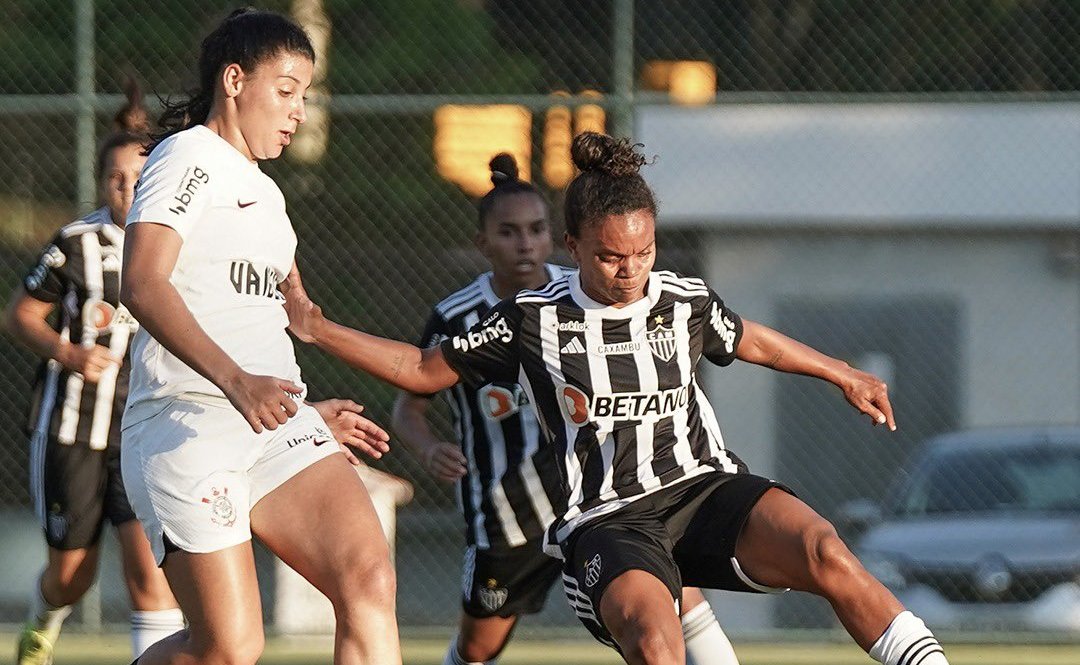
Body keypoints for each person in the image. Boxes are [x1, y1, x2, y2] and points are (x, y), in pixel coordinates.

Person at [285, 132, 953, 665]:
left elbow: (752, 340)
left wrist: (843, 372)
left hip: (703, 488)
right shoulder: (530, 319)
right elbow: (420, 368)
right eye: (609, 257)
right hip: (608, 520)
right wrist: (316, 327)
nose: (630, 268)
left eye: (644, 249)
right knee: (657, 644)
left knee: (827, 552)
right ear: (572, 246)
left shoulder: (679, 299)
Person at [118, 9, 399, 665]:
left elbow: (254, 319)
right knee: (229, 647)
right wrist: (238, 382)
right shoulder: (188, 155)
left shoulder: (268, 196)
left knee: (369, 582)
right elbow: (143, 283)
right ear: (235, 80)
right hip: (187, 424)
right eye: (287, 89)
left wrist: (299, 408)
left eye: (305, 94)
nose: (299, 109)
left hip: (274, 428)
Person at [392, 154, 739, 665]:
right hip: (510, 511)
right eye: (508, 233)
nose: (525, 243)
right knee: (479, 645)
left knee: (682, 599)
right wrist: (428, 448)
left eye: (535, 229)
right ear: (483, 243)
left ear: (558, 238)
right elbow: (410, 404)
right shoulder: (457, 316)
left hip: (603, 495)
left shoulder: (584, 294)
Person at [5, 78, 185, 665]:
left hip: (141, 435)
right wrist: (72, 355)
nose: (128, 189)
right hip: (73, 433)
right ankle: (41, 625)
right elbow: (22, 314)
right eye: (117, 179)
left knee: (151, 578)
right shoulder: (75, 243)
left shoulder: (180, 247)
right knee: (71, 577)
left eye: (139, 178)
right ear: (101, 181)